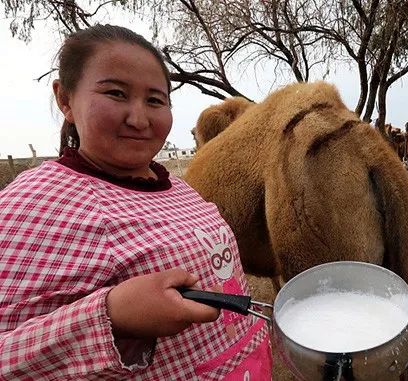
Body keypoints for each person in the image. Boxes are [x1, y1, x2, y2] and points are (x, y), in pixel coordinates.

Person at [0, 25, 271, 380]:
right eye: (116, 93)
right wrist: (111, 315)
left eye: (155, 100)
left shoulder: (177, 187)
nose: (139, 119)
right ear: (65, 99)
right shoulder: (31, 205)